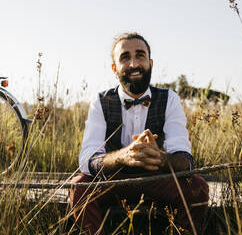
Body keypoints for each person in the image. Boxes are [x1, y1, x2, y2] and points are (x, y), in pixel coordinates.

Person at [69, 32, 209, 234]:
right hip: (113, 183)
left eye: (140, 55)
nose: (134, 64)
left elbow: (185, 160)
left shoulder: (169, 99)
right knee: (79, 187)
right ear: (114, 68)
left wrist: (160, 158)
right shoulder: (100, 102)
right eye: (125, 57)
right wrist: (123, 157)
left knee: (198, 188)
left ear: (150, 63)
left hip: (157, 181)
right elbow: (87, 160)